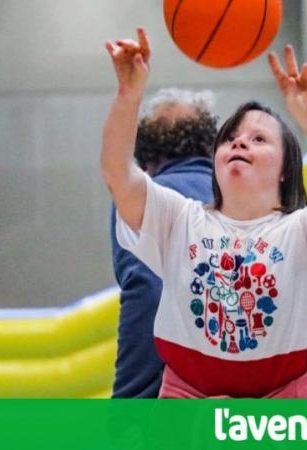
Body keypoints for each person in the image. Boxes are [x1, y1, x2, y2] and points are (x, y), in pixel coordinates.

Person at [102, 28, 307, 398]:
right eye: (230, 138)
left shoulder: (306, 230)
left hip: (284, 403)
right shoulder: (179, 218)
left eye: (259, 139)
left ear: (285, 168)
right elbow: (118, 172)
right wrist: (128, 95)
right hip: (189, 399)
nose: (240, 141)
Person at [110, 88, 217, 398]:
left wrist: (131, 402)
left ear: (143, 160)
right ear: (212, 147)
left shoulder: (143, 199)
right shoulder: (252, 198)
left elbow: (149, 292)